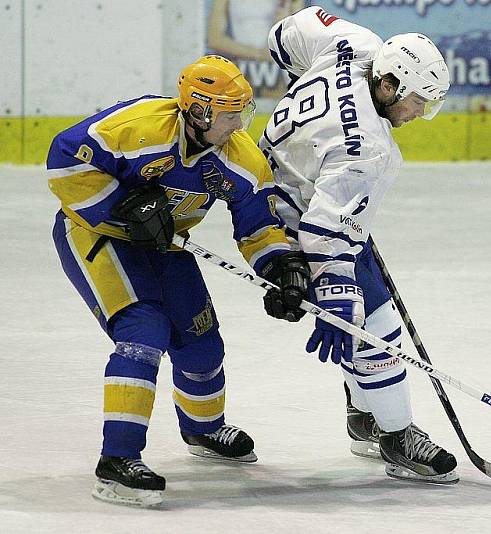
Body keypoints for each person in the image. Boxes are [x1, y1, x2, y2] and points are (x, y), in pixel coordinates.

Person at [48, 55, 310, 506]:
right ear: (201, 110)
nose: (239, 124)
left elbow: (257, 226)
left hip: (166, 245)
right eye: (231, 114)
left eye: (241, 113)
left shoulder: (240, 158)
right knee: (143, 331)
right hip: (97, 235)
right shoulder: (139, 126)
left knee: (201, 341)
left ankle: (203, 430)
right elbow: (65, 159)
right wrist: (121, 207)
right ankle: (118, 461)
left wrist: (280, 268)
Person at [259, 7, 458, 484]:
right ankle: (395, 435)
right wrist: (335, 291)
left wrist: (313, 118)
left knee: (366, 313)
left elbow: (283, 36)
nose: (417, 115)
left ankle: (364, 417)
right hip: (293, 222)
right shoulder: (370, 151)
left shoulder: (355, 44)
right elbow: (325, 232)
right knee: (375, 325)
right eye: (415, 103)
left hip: (273, 184)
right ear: (388, 85)